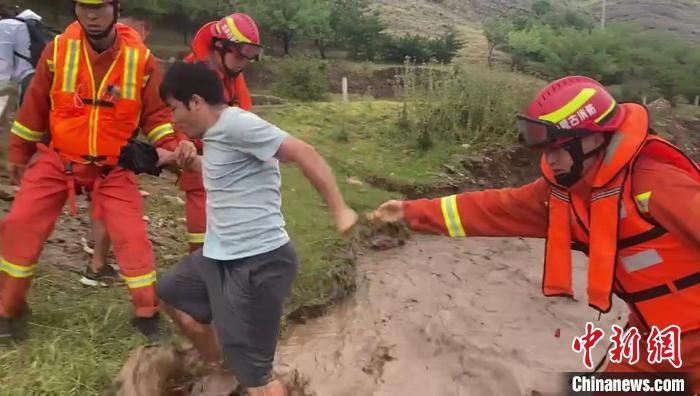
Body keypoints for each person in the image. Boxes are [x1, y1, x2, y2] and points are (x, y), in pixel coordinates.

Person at [370, 76, 700, 390]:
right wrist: (411, 212)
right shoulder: (561, 195)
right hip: (652, 341)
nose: (550, 160)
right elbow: (493, 209)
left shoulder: (656, 182)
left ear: (595, 138)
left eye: (559, 148)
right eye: (545, 151)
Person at [155, 62, 358, 396]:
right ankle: (224, 367)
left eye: (174, 109)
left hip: (257, 262)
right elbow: (230, 176)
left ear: (195, 102)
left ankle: (248, 375)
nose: (172, 119)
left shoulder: (238, 124)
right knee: (174, 293)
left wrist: (340, 209)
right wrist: (194, 163)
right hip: (219, 255)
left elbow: (304, 152)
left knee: (257, 377)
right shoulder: (216, 135)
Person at [0, 0, 194, 342]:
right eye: (84, 7)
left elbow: (157, 117)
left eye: (100, 7)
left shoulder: (140, 59)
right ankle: (7, 309)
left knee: (132, 237)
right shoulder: (57, 50)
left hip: (113, 166)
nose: (91, 16)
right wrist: (19, 152)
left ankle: (147, 315)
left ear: (116, 9)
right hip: (58, 160)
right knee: (20, 225)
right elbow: (34, 106)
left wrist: (174, 145)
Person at [0, 5, 42, 107]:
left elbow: (4, 63)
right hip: (36, 78)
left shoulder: (5, 26)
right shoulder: (28, 25)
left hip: (21, 83)